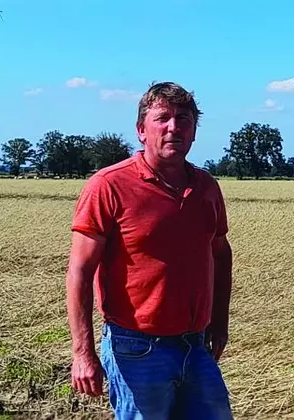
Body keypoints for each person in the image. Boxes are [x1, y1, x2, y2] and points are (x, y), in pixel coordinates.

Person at [65, 81, 234, 420]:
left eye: (184, 119)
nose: (175, 128)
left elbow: (220, 254)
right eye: (163, 118)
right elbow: (80, 272)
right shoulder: (109, 185)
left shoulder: (206, 187)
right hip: (137, 348)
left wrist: (219, 322)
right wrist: (82, 352)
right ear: (141, 130)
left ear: (195, 131)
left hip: (195, 344)